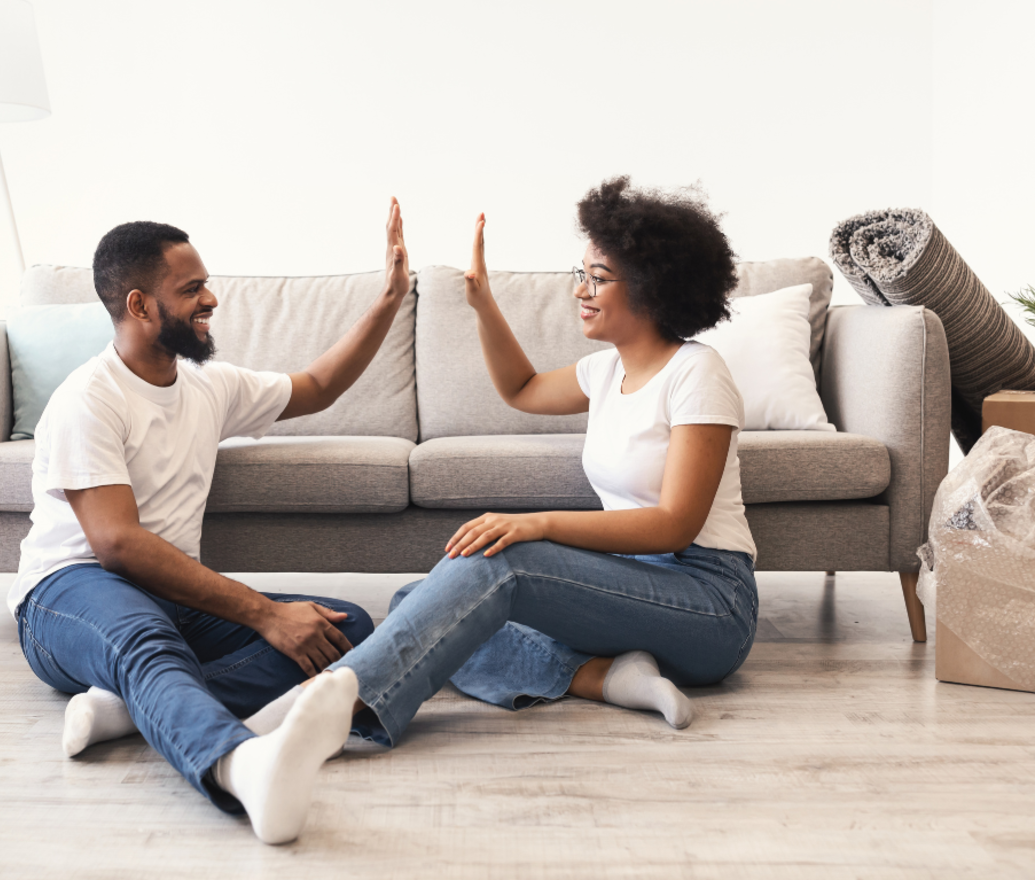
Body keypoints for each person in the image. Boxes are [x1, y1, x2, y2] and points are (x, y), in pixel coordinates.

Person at [9, 200, 413, 844]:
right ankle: (241, 767)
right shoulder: (88, 400)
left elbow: (317, 386)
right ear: (140, 306)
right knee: (150, 637)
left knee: (343, 627)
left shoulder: (209, 386)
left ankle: (131, 708)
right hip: (67, 595)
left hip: (172, 598)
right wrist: (263, 612)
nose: (212, 300)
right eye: (192, 289)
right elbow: (115, 544)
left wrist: (390, 298)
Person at [314, 176, 759, 747]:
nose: (580, 291)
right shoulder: (604, 373)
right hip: (633, 587)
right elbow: (521, 387)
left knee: (496, 564)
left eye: (597, 279)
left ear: (652, 287)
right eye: (581, 275)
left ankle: (329, 706)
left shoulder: (697, 372)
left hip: (709, 603)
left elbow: (676, 524)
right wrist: (483, 303)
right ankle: (604, 677)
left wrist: (537, 523)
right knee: (420, 602)